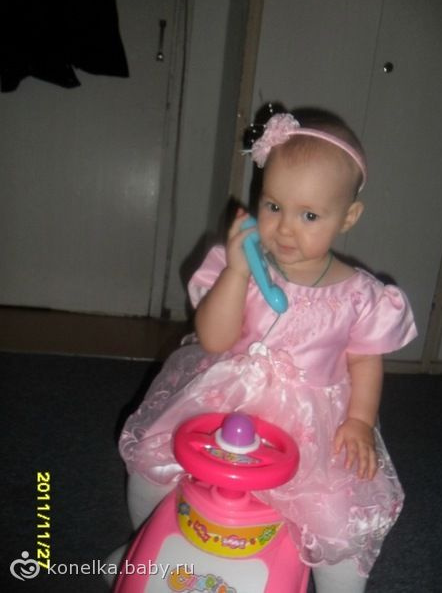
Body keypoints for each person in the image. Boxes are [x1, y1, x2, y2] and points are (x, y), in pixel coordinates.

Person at [118, 112, 417, 592]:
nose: (285, 228)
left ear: (348, 218)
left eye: (309, 215)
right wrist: (237, 272)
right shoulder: (240, 265)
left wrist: (360, 421)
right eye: (274, 206)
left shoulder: (361, 294)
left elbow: (365, 360)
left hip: (311, 420)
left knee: (337, 520)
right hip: (226, 397)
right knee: (154, 463)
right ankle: (144, 545)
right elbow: (214, 339)